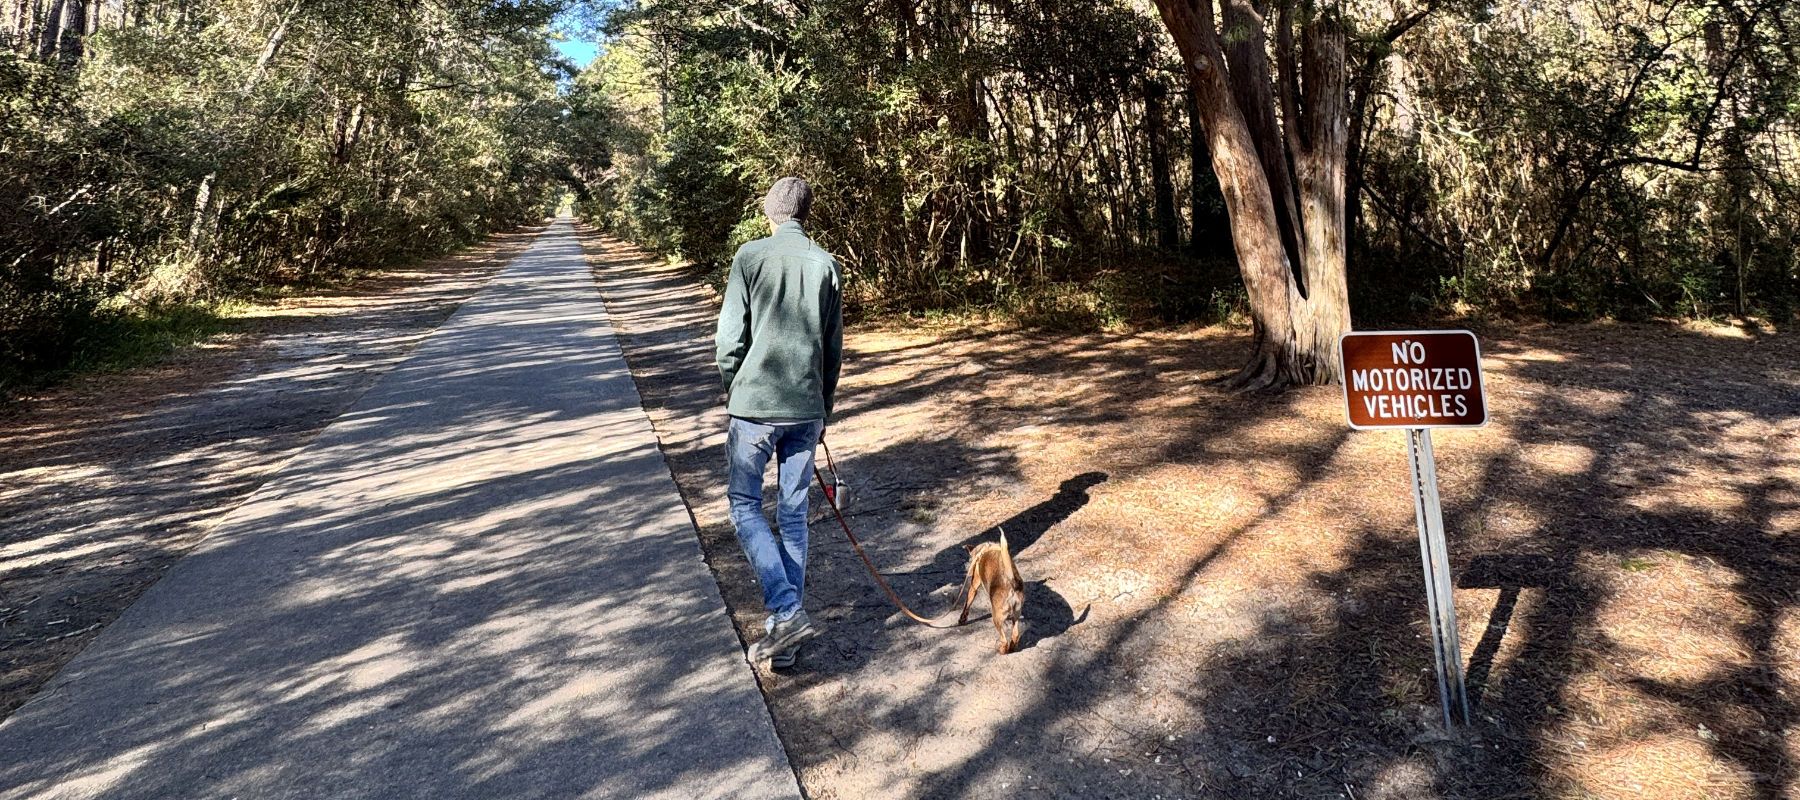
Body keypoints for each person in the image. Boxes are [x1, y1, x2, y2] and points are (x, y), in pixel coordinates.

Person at [715, 177, 842, 668]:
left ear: (769, 212)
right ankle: (785, 638)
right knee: (792, 516)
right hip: (806, 409)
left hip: (754, 407)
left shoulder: (749, 257)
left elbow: (729, 342)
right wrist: (822, 407)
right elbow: (833, 352)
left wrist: (738, 387)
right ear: (805, 213)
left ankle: (786, 610)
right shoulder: (826, 264)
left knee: (745, 506)